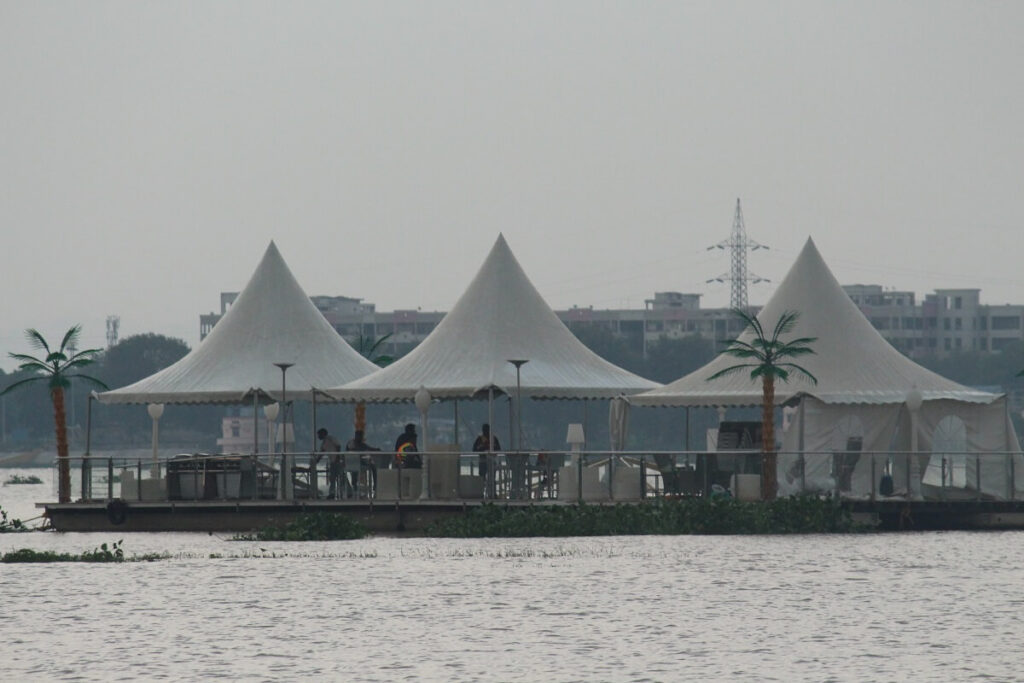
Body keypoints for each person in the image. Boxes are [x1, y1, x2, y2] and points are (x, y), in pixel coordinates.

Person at [346, 430, 381, 497]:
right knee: (354, 470)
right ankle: (354, 487)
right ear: (356, 435)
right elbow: (351, 451)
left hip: (360, 462)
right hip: (352, 462)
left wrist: (376, 449)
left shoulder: (361, 444)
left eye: (361, 436)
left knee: (373, 467)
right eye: (359, 435)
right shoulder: (351, 443)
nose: (360, 437)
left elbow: (369, 448)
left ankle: (375, 486)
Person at [317, 427, 343, 499]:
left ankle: (345, 492)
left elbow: (338, 446)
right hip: (332, 462)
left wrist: (337, 456)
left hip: (337, 461)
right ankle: (332, 493)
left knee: (341, 477)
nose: (318, 437)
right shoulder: (324, 443)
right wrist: (316, 461)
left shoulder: (330, 439)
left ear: (323, 434)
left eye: (319, 435)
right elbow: (321, 453)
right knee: (332, 478)